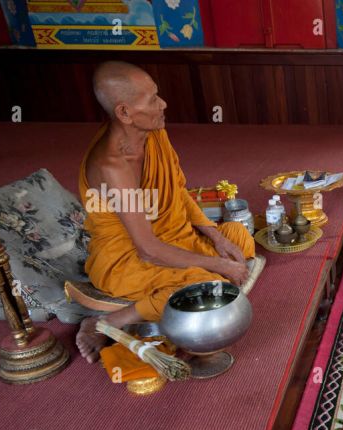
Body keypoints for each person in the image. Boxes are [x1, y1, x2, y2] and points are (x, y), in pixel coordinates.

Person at [75, 61, 256, 363]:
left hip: (172, 239)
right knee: (205, 284)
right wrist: (218, 266)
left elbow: (178, 191)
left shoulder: (152, 133)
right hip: (127, 258)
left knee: (237, 237)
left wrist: (216, 238)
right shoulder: (112, 166)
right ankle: (106, 322)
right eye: (152, 100)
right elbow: (147, 249)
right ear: (124, 113)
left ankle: (204, 270)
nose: (163, 104)